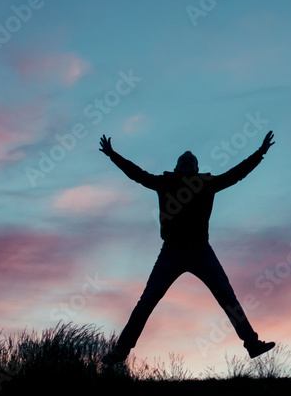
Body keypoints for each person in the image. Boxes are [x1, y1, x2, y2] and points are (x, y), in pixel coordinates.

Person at [99, 132, 276, 365]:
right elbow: (137, 175)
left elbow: (236, 174)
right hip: (171, 252)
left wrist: (260, 153)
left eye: (190, 162)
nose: (186, 162)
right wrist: (113, 155)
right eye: (183, 161)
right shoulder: (164, 183)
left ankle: (251, 344)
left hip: (200, 250)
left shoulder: (206, 184)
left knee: (227, 298)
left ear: (195, 167)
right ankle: (121, 350)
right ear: (177, 166)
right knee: (147, 301)